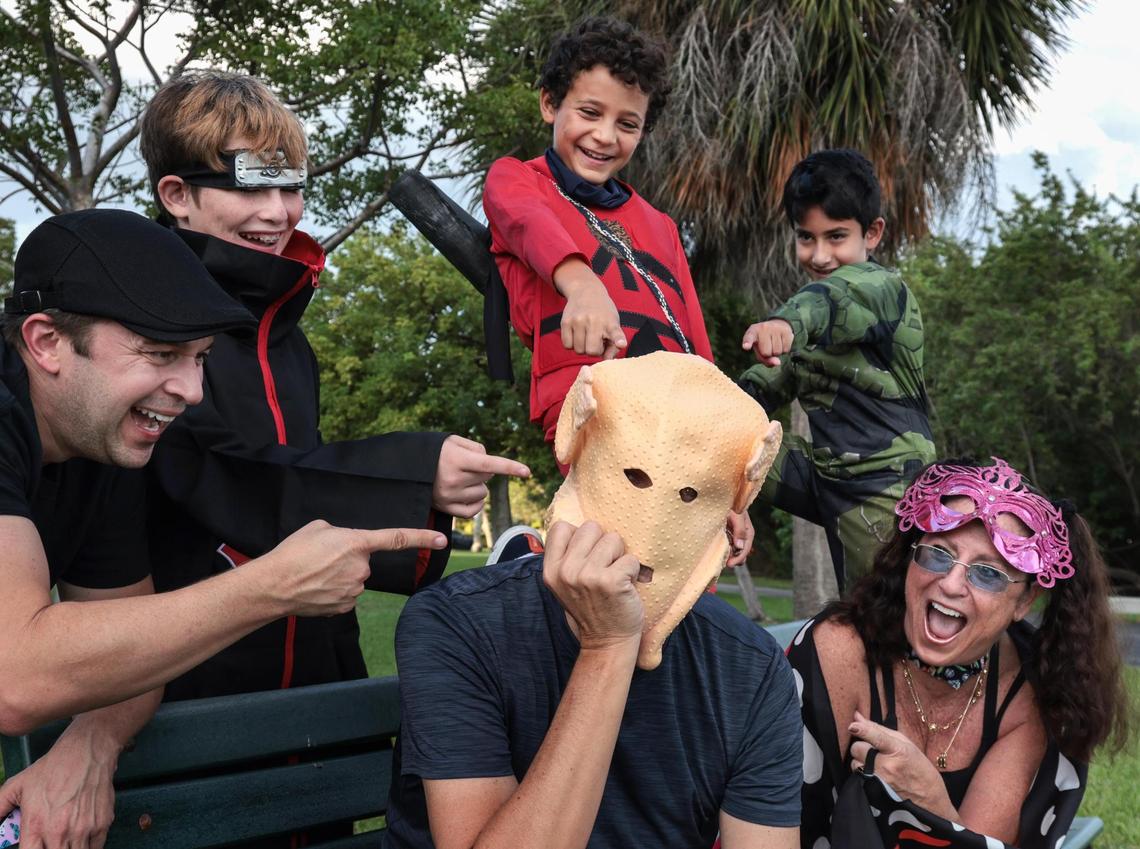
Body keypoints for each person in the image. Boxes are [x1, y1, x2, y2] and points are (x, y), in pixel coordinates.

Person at [0, 209, 447, 847]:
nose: (191, 391)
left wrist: (91, 746)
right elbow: (17, 673)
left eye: (200, 358)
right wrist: (269, 588)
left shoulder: (100, 443)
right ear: (46, 342)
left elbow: (130, 649)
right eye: (159, 353)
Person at [135, 70, 530, 705]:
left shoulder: (290, 341)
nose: (277, 212)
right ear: (177, 194)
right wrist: (414, 473)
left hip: (316, 676)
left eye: (291, 187)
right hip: (186, 685)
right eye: (251, 187)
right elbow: (207, 471)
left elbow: (298, 482)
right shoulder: (142, 323)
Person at [384, 352, 801, 849]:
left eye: (691, 494)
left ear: (732, 517)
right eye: (634, 477)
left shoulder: (750, 667)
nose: (651, 531)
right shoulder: (455, 625)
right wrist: (608, 648)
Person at [483, 16, 752, 563]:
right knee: (620, 553)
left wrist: (732, 488)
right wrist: (581, 285)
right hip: (594, 409)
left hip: (681, 426)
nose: (605, 136)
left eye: (627, 123)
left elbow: (698, 350)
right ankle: (534, 562)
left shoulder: (660, 225)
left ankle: (541, 564)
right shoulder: (517, 179)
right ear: (548, 104)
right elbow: (527, 222)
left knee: (685, 568)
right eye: (589, 112)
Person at [788, 457, 1131, 848]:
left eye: (988, 573)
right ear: (909, 556)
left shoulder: (1029, 695)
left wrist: (931, 802)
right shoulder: (839, 652)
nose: (951, 584)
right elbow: (769, 823)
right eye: (938, 554)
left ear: (1024, 602)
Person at [739, 148, 936, 592]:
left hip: (886, 485)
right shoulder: (804, 330)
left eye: (836, 237)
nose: (820, 255)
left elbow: (834, 302)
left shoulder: (883, 289)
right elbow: (761, 387)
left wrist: (785, 324)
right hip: (825, 477)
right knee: (723, 435)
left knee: (875, 621)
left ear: (872, 234)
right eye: (806, 238)